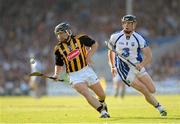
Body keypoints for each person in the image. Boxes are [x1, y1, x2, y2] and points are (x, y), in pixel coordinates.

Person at [107, 15, 167, 116]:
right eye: (125, 23)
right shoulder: (115, 37)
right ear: (122, 24)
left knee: (152, 89)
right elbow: (110, 51)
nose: (127, 25)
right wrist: (113, 66)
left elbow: (149, 55)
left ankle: (152, 100)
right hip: (123, 69)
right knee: (143, 89)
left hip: (137, 66)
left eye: (130, 23)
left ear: (134, 25)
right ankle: (159, 108)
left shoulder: (139, 38)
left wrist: (142, 64)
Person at [52, 22, 110, 118]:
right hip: (74, 75)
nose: (59, 36)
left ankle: (102, 102)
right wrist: (56, 74)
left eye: (61, 33)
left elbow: (94, 44)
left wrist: (88, 56)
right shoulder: (58, 49)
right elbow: (58, 64)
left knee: (102, 95)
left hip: (86, 70)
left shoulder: (81, 38)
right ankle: (103, 112)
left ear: (67, 32)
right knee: (85, 93)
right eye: (57, 34)